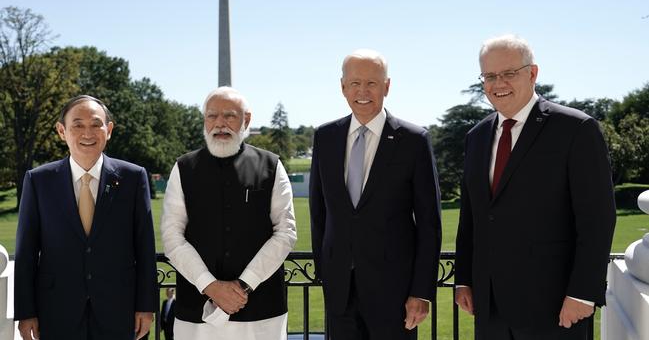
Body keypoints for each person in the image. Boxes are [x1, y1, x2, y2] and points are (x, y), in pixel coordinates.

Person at [454, 34, 617, 339]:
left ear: (532, 73)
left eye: (509, 73)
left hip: (555, 308)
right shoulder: (475, 137)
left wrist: (582, 294)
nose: (498, 83)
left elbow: (597, 219)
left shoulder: (576, 129)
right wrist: (464, 277)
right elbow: (472, 216)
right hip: (489, 309)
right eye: (489, 76)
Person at [309, 49, 442, 340]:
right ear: (342, 87)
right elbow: (319, 212)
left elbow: (430, 224)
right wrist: (325, 271)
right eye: (355, 83)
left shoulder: (414, 141)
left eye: (371, 83)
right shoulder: (325, 137)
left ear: (387, 86)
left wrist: (421, 291)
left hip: (395, 293)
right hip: (340, 291)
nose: (362, 91)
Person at [14, 95, 158, 340]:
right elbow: (26, 250)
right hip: (56, 310)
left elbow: (144, 247)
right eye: (77, 125)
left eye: (96, 124)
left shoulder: (133, 178)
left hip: (119, 310)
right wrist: (26, 312)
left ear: (108, 129)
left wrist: (146, 306)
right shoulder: (38, 180)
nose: (87, 133)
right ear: (62, 131)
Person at [160, 87, 297, 340]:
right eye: (212, 116)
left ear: (247, 119)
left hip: (262, 310)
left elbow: (285, 232)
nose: (219, 124)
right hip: (196, 312)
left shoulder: (271, 165)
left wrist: (244, 285)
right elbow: (172, 236)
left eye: (229, 116)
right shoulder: (183, 168)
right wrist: (209, 286)